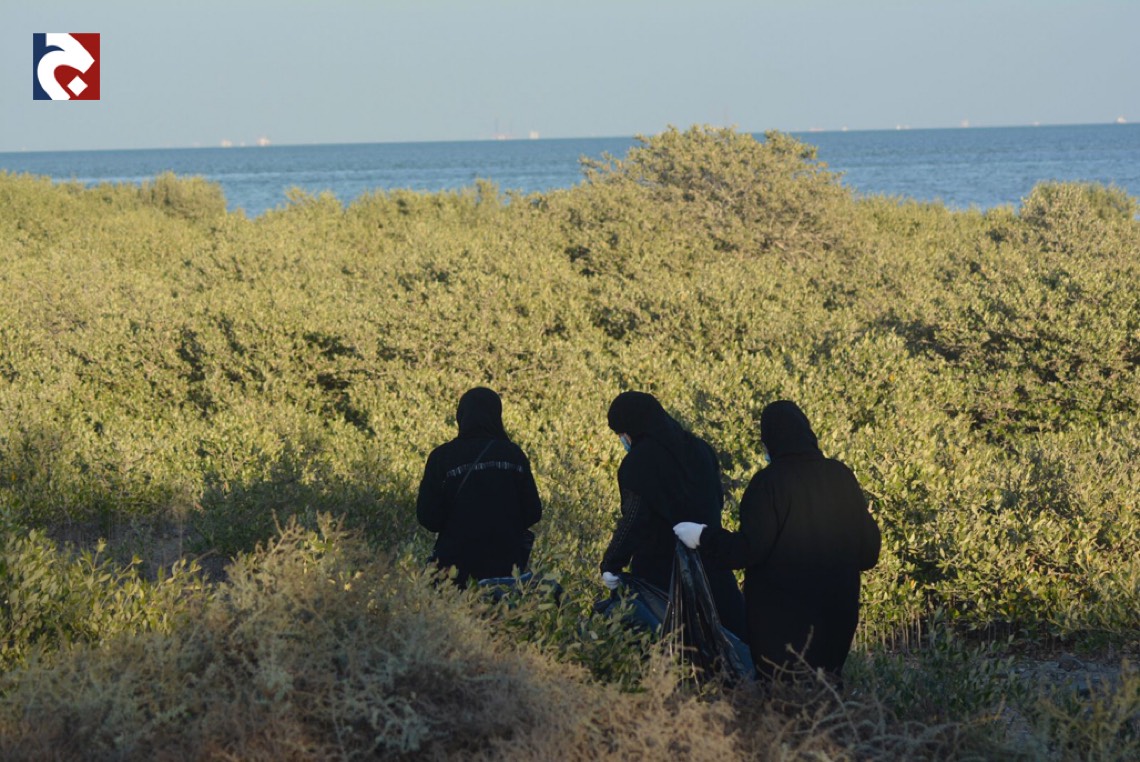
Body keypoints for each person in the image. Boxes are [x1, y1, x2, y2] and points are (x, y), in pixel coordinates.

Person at [674, 400, 880, 684]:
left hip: (783, 623)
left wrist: (703, 536)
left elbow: (749, 549)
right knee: (826, 692)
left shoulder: (768, 483)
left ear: (770, 440)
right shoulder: (840, 476)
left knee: (786, 696)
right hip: (836, 617)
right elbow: (869, 552)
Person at [601, 391, 748, 640]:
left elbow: (635, 518)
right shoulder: (700, 449)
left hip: (662, 575)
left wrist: (611, 564)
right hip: (713, 568)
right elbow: (717, 500)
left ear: (630, 429)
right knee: (731, 644)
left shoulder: (638, 462)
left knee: (674, 648)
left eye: (621, 433)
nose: (622, 440)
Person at [416, 387, 543, 586]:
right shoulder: (514, 455)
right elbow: (533, 512)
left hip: (454, 571)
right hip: (506, 569)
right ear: (497, 415)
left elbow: (428, 518)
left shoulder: (442, 458)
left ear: (461, 416)